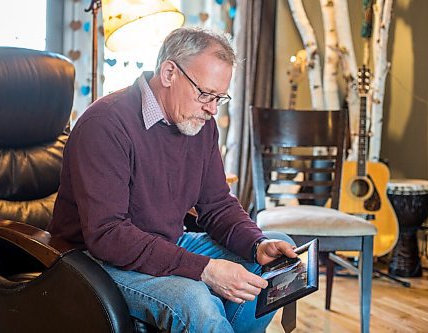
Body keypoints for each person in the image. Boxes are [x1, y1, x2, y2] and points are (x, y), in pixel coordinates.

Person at [47, 27, 296, 333]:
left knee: (277, 253)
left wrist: (257, 243)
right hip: (95, 259)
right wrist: (205, 270)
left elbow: (217, 204)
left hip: (164, 242)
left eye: (220, 98)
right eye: (205, 94)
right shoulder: (105, 124)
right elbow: (108, 235)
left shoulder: (200, 123)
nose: (212, 109)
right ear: (168, 73)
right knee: (195, 300)